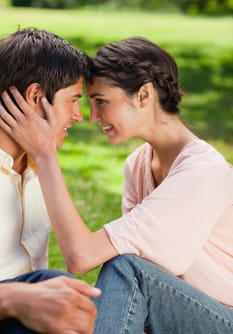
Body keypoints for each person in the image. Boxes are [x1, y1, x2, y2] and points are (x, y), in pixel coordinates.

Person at [0, 36, 232, 334]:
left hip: (219, 317)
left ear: (144, 96)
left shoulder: (202, 172)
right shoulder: (138, 165)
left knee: (124, 269)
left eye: (100, 102)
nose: (89, 117)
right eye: (79, 100)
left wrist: (45, 156)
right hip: (170, 313)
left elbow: (87, 257)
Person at [0, 28, 100, 334]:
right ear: (35, 97)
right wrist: (17, 298)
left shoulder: (39, 167)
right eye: (73, 100)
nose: (79, 115)